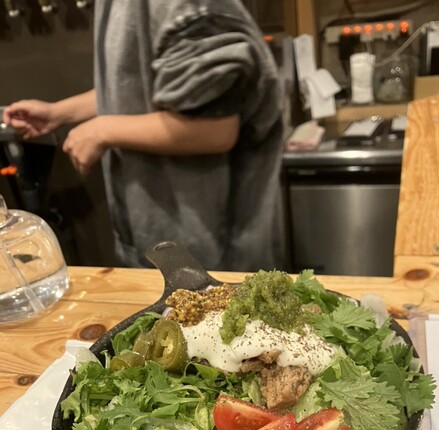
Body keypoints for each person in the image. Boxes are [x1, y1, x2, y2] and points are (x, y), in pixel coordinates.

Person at [3, 1, 285, 272]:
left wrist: (103, 130)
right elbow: (141, 88)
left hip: (213, 251)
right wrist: (60, 114)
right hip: (164, 241)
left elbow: (215, 128)